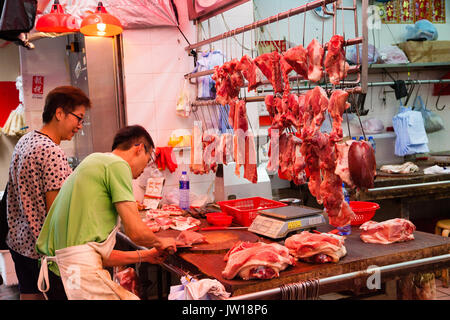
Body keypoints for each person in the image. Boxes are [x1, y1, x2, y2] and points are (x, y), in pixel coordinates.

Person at [36, 125, 177, 300]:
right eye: (147, 160)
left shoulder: (95, 161)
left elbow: (93, 254)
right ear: (139, 148)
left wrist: (146, 255)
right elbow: (136, 232)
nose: (143, 171)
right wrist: (161, 241)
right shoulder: (117, 165)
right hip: (73, 276)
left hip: (58, 273)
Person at [6, 85, 91, 300]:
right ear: (59, 113)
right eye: (78, 118)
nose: (80, 126)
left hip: (19, 242)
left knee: (29, 295)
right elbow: (57, 212)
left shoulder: (26, 140)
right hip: (42, 252)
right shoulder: (51, 151)